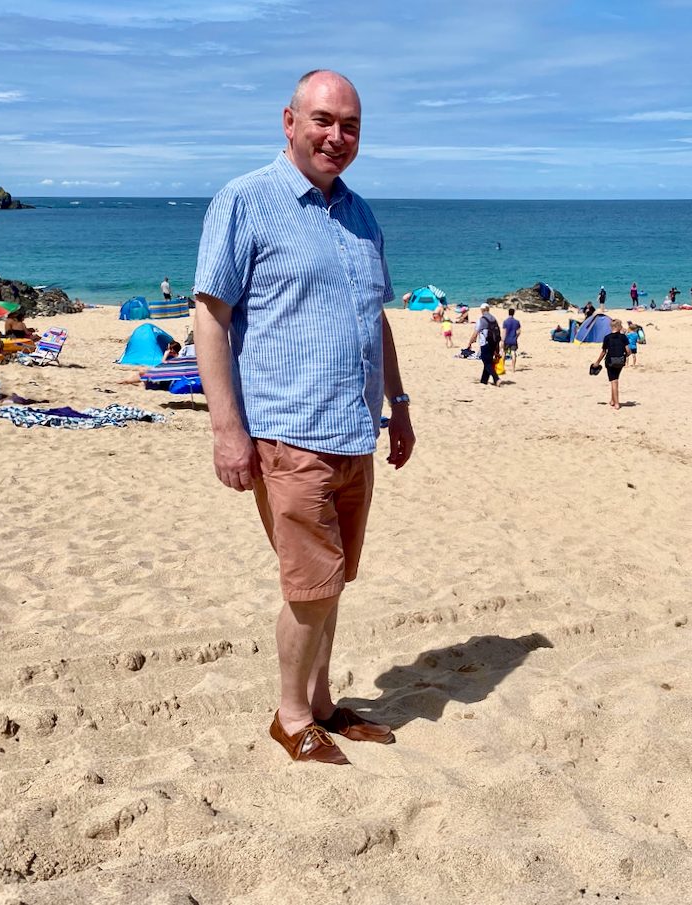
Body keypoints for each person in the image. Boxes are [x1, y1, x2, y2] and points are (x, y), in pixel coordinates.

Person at [194, 69, 413, 766]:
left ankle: (322, 702)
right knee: (309, 585)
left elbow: (373, 317)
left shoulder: (360, 215)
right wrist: (227, 429)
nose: (336, 136)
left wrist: (399, 404)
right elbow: (210, 314)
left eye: (349, 125)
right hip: (288, 435)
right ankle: (291, 716)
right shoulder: (247, 200)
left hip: (356, 432)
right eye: (323, 120)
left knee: (335, 578)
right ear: (288, 121)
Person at [593, 317, 629, 409]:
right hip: (620, 361)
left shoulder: (607, 338)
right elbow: (628, 351)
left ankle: (617, 404)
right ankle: (613, 401)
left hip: (610, 361)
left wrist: (597, 362)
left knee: (614, 381)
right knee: (615, 379)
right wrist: (625, 356)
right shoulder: (623, 337)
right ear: (619, 326)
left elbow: (603, 352)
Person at [465, 302, 502, 386]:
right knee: (488, 361)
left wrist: (469, 343)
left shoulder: (482, 320)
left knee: (486, 362)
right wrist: (497, 348)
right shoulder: (493, 319)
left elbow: (475, 333)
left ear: (482, 310)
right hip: (493, 343)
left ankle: (496, 379)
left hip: (485, 343)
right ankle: (483, 381)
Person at [502, 307, 522, 373]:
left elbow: (504, 332)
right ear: (514, 313)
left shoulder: (505, 321)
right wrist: (516, 336)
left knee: (504, 353)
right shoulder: (517, 322)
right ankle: (513, 368)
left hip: (507, 339)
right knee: (513, 353)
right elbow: (519, 331)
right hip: (513, 339)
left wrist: (502, 340)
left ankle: (503, 367)